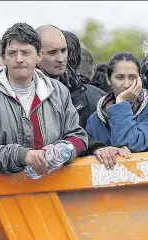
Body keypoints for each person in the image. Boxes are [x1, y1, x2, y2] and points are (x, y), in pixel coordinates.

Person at [0, 22, 88, 175]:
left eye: (26, 52)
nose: (19, 59)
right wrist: (22, 156)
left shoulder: (58, 92)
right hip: (3, 193)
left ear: (39, 56)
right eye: (12, 53)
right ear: (3, 57)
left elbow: (78, 136)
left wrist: (64, 150)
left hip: (54, 190)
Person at [86, 52, 148, 169]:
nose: (126, 85)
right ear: (109, 79)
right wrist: (102, 149)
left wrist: (121, 103)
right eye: (120, 77)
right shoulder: (95, 119)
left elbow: (131, 144)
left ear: (140, 79)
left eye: (132, 77)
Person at [36, 26, 106, 154]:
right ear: (37, 54)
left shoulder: (80, 90)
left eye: (63, 50)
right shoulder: (25, 91)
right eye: (52, 52)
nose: (61, 58)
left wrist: (97, 147)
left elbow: (75, 134)